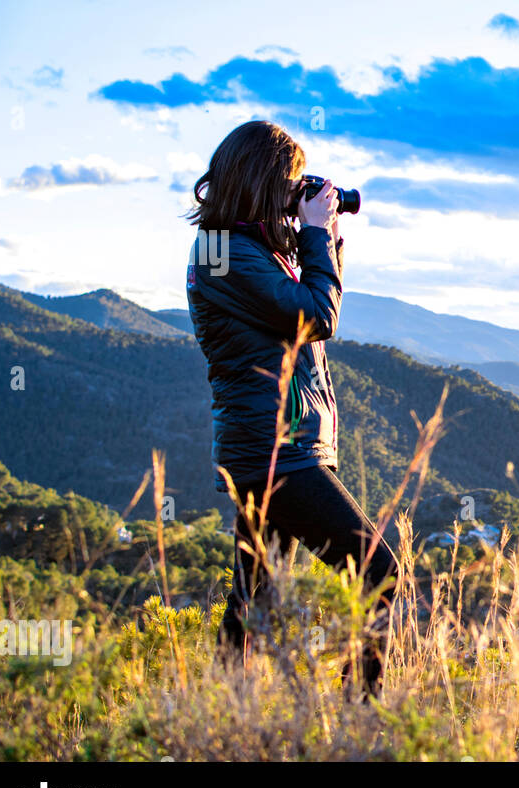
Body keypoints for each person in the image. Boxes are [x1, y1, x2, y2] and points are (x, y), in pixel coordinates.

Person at [184, 120, 396, 695]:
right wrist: (314, 232)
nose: (295, 194)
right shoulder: (222, 254)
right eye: (292, 182)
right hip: (274, 451)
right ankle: (360, 718)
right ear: (264, 180)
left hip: (277, 447)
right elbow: (316, 316)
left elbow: (315, 312)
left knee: (256, 597)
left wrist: (324, 234)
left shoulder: (248, 250)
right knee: (378, 569)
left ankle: (222, 719)